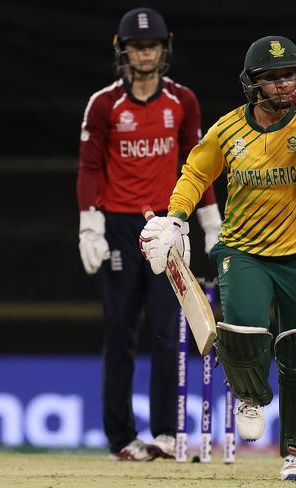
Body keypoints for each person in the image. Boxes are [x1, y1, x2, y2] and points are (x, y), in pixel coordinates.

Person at [139, 35, 296, 480]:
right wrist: (176, 219)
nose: (283, 84)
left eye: (290, 75)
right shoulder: (229, 129)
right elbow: (197, 171)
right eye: (272, 78)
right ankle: (249, 394)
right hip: (245, 249)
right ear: (252, 84)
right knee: (242, 326)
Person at [77, 7, 222, 461]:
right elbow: (90, 167)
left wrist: (211, 225)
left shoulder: (183, 102)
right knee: (120, 334)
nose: (145, 54)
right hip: (119, 228)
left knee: (168, 333)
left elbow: (197, 167)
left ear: (165, 48)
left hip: (167, 226)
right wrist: (90, 225)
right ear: (123, 50)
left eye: (153, 46)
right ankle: (121, 438)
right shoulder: (104, 104)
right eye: (138, 47)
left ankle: (165, 434)